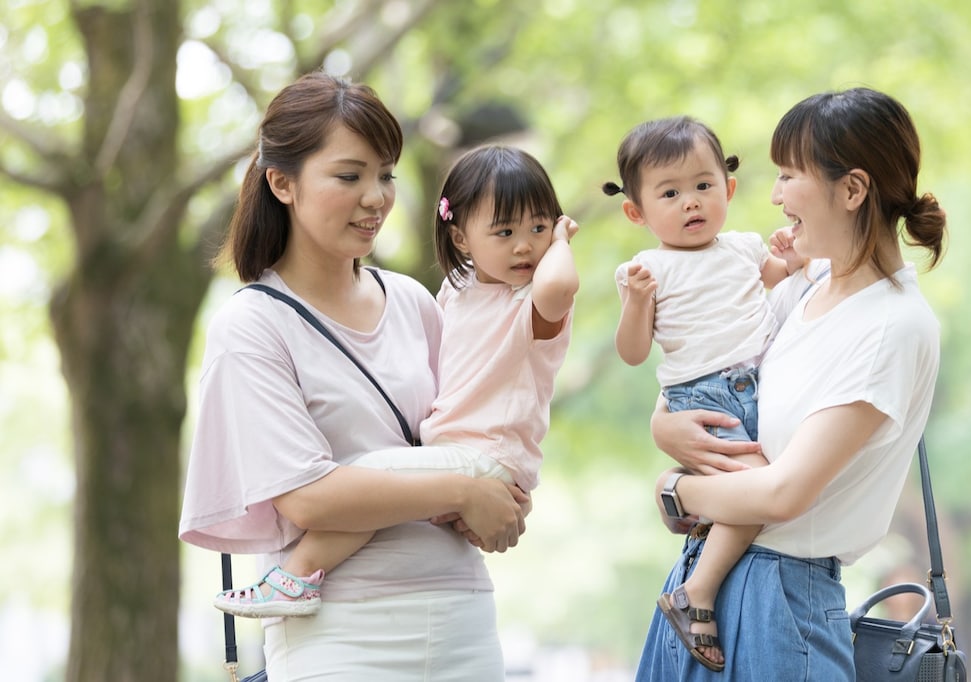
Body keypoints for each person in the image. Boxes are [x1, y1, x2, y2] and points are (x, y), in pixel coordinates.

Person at [178, 72, 533, 680]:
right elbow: (306, 496)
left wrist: (500, 496)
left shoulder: (416, 303)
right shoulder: (252, 326)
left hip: (462, 615)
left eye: (386, 174)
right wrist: (463, 490)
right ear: (282, 183)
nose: (376, 196)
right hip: (338, 632)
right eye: (350, 176)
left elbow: (471, 435)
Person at [635, 86, 947, 681]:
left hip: (780, 600)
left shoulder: (893, 326)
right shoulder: (802, 288)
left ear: (852, 190)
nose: (775, 196)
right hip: (698, 590)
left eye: (788, 176)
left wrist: (674, 490)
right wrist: (664, 426)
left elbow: (785, 494)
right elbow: (707, 371)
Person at [209, 144, 579, 621]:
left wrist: (564, 241)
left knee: (378, 472)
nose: (525, 245)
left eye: (539, 228)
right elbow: (311, 498)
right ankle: (296, 578)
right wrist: (463, 496)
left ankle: (296, 575)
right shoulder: (458, 294)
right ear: (462, 238)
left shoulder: (526, 304)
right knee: (372, 486)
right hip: (358, 612)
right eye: (504, 231)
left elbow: (559, 288)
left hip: (485, 461)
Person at [604, 116, 805, 671]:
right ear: (636, 212)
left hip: (759, 385)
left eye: (702, 186)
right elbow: (633, 351)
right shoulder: (646, 269)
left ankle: (699, 569)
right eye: (670, 193)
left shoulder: (741, 247)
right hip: (705, 396)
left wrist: (790, 253)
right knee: (755, 488)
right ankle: (698, 590)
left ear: (729, 188)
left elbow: (781, 275)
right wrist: (637, 302)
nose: (690, 202)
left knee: (756, 487)